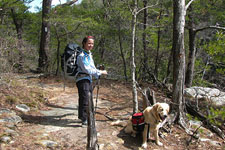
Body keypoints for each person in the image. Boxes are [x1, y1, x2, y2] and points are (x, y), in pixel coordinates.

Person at [76, 36, 107, 126]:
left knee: (88, 98)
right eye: (89, 43)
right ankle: (85, 119)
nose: (91, 45)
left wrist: (98, 74)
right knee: (85, 98)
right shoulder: (82, 56)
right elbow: (87, 70)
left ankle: (86, 117)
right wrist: (100, 72)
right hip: (82, 79)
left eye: (92, 43)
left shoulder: (89, 54)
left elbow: (92, 68)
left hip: (87, 79)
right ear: (84, 43)